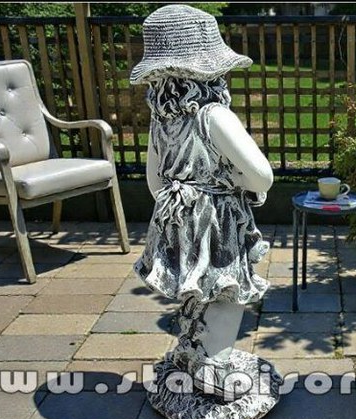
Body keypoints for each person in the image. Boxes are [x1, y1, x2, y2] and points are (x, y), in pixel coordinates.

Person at [130, 4, 273, 399]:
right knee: (228, 291)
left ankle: (192, 350)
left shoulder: (162, 119)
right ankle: (214, 367)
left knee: (193, 288)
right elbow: (262, 175)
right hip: (216, 219)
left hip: (175, 215)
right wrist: (237, 185)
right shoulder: (213, 115)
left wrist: (178, 206)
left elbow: (155, 181)